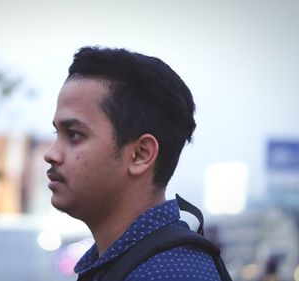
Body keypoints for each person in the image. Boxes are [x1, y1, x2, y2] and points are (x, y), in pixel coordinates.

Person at [44, 46, 223, 281]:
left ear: (140, 154)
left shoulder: (169, 274)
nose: (51, 154)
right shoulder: (126, 261)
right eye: (57, 132)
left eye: (74, 134)